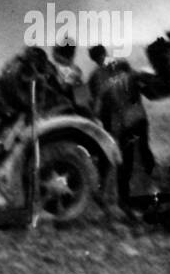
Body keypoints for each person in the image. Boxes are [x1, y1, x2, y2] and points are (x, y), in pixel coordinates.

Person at [98, 59, 156, 207]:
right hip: (139, 119)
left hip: (124, 124)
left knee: (126, 160)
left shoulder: (107, 85)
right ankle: (150, 183)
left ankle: (123, 197)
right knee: (145, 151)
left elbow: (100, 110)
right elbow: (151, 91)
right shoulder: (134, 76)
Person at [52, 42, 84, 108]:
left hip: (66, 102)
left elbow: (65, 88)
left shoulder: (74, 70)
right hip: (64, 102)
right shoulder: (74, 70)